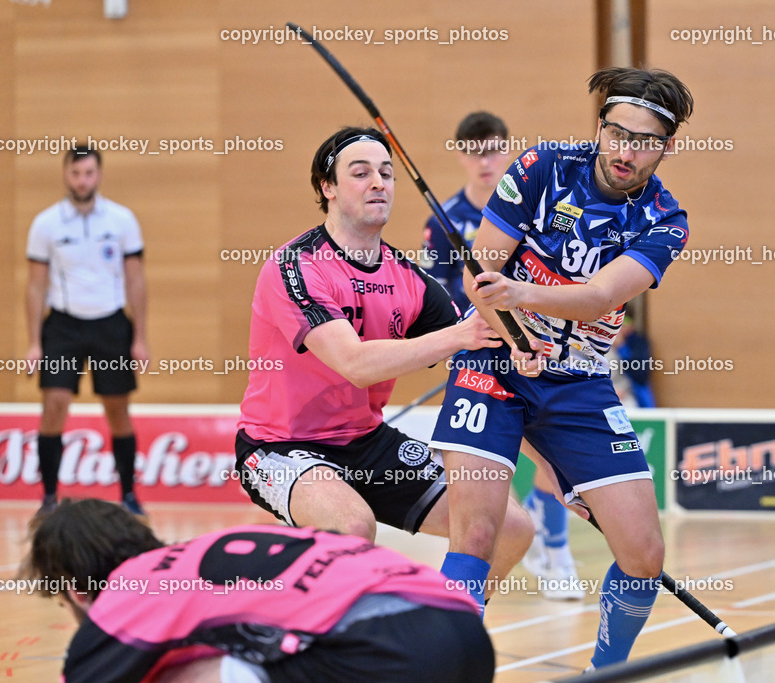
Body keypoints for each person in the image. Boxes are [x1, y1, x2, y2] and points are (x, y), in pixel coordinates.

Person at [428, 66, 693, 669]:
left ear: (667, 146)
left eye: (645, 141)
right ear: (600, 127)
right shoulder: (540, 167)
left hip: (580, 382)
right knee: (475, 535)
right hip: (494, 363)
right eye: (618, 133)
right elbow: (482, 271)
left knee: (644, 552)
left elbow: (602, 296)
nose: (626, 151)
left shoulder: (665, 221)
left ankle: (604, 671)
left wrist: (523, 299)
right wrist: (509, 330)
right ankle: (439, 667)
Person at [234, 127, 533, 612]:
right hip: (280, 446)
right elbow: (354, 363)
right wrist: (459, 335)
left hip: (366, 442)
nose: (379, 182)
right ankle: (313, 642)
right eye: (361, 172)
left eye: (386, 173)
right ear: (327, 188)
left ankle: (440, 630)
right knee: (352, 526)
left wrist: (563, 470)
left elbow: (486, 352)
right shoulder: (296, 266)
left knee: (511, 528)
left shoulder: (407, 277)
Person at [22, 498, 494, 682]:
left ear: (78, 592)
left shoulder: (129, 592)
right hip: (466, 632)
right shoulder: (209, 548)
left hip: (386, 653)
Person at [421, 111, 582, 600]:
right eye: (473, 151)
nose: (484, 161)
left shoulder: (533, 208)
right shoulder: (444, 221)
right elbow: (436, 297)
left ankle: (554, 548)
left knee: (556, 460)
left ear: (508, 150)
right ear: (460, 155)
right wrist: (459, 337)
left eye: (493, 150)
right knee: (516, 475)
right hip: (482, 354)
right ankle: (543, 549)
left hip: (538, 349)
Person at [25, 145, 149, 520]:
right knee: (55, 405)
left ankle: (128, 494)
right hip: (63, 325)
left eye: (89, 173)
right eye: (76, 173)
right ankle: (48, 498)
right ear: (66, 175)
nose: (83, 180)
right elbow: (34, 286)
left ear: (99, 174)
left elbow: (136, 279)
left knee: (117, 410)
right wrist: (33, 343)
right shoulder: (46, 223)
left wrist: (140, 337)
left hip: (111, 324)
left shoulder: (122, 220)